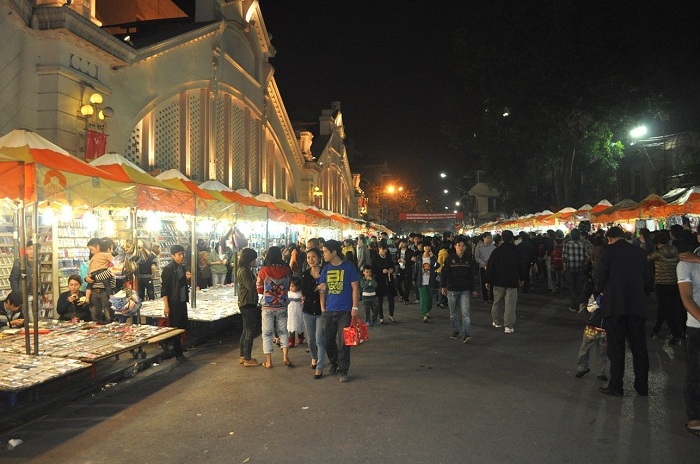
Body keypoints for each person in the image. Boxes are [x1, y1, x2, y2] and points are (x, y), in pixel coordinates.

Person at [594, 226, 651, 397]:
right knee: (639, 348)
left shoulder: (607, 251)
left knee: (616, 349)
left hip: (615, 306)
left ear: (609, 238)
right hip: (636, 307)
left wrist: (602, 291)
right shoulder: (639, 253)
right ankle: (642, 386)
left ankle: (616, 386)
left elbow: (599, 278)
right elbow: (648, 279)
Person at [319, 239, 360, 382]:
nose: (323, 254)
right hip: (329, 311)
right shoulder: (325, 269)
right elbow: (322, 290)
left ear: (334, 252)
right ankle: (333, 362)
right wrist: (323, 307)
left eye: (325, 252)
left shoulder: (349, 267)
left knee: (344, 342)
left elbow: (355, 287)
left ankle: (343, 369)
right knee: (328, 340)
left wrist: (354, 307)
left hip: (345, 311)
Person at [256, 246, 293, 368]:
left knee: (267, 333)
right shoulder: (287, 270)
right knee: (283, 332)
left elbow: (259, 289)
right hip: (282, 305)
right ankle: (285, 357)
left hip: (267, 306)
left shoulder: (263, 271)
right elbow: (288, 287)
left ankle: (269, 361)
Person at [677, 248, 700, 436]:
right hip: (696, 326)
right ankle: (695, 417)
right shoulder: (686, 263)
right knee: (696, 373)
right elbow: (687, 298)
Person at [647, 230, 684, 343]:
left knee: (663, 308)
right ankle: (666, 331)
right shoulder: (675, 250)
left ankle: (672, 333)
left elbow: (647, 258)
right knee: (672, 308)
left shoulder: (658, 253)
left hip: (662, 284)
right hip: (674, 283)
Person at [486, 230, 525, 334]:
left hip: (498, 281)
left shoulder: (496, 251)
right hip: (512, 281)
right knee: (510, 304)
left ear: (502, 238)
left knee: (497, 301)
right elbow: (521, 265)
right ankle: (508, 325)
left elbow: (491, 267)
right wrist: (522, 278)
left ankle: (497, 321)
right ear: (512, 238)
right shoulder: (516, 250)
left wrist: (488, 280)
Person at [441, 235, 478, 343]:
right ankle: (455, 330)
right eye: (458, 245)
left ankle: (466, 334)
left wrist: (473, 289)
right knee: (453, 312)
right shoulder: (449, 259)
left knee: (466, 313)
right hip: (452, 289)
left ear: (466, 247)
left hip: (465, 290)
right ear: (454, 246)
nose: (461, 247)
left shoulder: (468, 260)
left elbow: (471, 276)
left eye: (463, 245)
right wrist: (443, 286)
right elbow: (444, 273)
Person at [161, 245, 190, 361]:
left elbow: (181, 285)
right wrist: (166, 306)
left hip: (182, 301)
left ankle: (166, 342)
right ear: (173, 256)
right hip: (174, 302)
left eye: (182, 254)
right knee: (176, 328)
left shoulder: (182, 268)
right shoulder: (168, 269)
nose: (181, 256)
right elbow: (165, 289)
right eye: (179, 254)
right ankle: (178, 354)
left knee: (182, 326)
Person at [301, 248, 326, 379]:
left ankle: (319, 367)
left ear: (319, 257)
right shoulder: (305, 274)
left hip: (322, 311)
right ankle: (314, 357)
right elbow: (305, 292)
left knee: (319, 339)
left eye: (313, 257)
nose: (311, 259)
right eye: (308, 257)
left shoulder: (325, 272)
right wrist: (317, 287)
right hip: (308, 310)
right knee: (310, 340)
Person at [574, 296, 608, 380]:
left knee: (602, 351)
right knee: (585, 349)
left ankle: (600, 372)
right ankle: (582, 368)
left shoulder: (612, 294)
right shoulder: (595, 295)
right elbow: (589, 308)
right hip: (592, 326)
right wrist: (598, 303)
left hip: (604, 328)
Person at [237, 248, 260, 367]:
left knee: (246, 330)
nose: (255, 261)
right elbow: (250, 286)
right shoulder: (244, 271)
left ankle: (243, 356)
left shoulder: (244, 269)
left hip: (246, 302)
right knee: (250, 330)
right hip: (247, 303)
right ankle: (247, 358)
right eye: (254, 259)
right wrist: (258, 277)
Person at [86, 238, 116, 323]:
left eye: (92, 249)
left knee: (108, 314)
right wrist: (87, 278)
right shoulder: (95, 258)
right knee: (95, 315)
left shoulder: (107, 257)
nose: (91, 252)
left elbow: (112, 271)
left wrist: (94, 277)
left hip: (105, 292)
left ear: (98, 247)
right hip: (94, 291)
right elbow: (90, 270)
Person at [563, 229, 591, 313]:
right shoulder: (582, 245)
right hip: (580, 269)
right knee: (579, 287)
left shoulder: (567, 245)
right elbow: (585, 258)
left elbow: (564, 258)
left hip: (570, 269)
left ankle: (573, 306)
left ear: (571, 236)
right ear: (579, 236)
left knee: (572, 288)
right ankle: (580, 304)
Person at [372, 241, 397, 323]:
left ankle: (391, 315)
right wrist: (381, 271)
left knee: (391, 298)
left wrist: (392, 269)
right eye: (383, 249)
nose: (384, 251)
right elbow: (373, 270)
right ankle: (381, 317)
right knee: (380, 300)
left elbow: (392, 266)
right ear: (379, 248)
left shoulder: (388, 257)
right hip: (380, 281)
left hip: (389, 281)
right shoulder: (375, 258)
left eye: (386, 249)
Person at [413, 240, 437, 323]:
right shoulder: (419, 258)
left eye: (428, 246)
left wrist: (433, 257)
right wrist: (414, 279)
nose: (427, 248)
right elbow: (416, 269)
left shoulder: (432, 257)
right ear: (423, 248)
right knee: (423, 298)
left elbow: (437, 266)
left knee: (429, 297)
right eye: (425, 246)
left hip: (430, 280)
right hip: (421, 280)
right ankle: (424, 314)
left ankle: (428, 311)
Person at [474, 233, 496, 303]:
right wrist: (484, 263)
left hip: (492, 268)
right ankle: (485, 298)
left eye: (490, 238)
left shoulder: (494, 247)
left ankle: (492, 297)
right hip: (482, 267)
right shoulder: (479, 247)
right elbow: (476, 257)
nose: (489, 239)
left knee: (492, 283)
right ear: (483, 238)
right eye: (488, 238)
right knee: (483, 283)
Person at [395, 238, 414, 305]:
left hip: (407, 270)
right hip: (400, 269)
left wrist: (406, 262)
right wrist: (397, 261)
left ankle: (406, 299)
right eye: (401, 243)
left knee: (407, 285)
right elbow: (394, 259)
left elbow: (413, 262)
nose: (402, 244)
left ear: (407, 243)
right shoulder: (398, 251)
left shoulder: (410, 252)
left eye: (404, 242)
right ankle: (402, 295)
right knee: (397, 283)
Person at [287, 277, 304, 348]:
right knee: (291, 326)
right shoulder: (288, 293)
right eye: (290, 286)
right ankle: (291, 340)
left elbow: (303, 301)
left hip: (298, 312)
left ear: (298, 286)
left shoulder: (300, 294)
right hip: (290, 313)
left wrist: (303, 301)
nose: (291, 288)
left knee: (300, 324)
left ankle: (301, 337)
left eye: (293, 286)